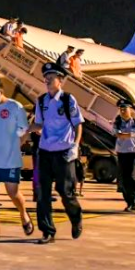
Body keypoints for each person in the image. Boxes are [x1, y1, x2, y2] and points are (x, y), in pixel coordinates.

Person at [30, 62, 84, 243]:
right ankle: (47, 231)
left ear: (60, 80)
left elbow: (78, 124)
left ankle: (76, 218)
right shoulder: (41, 101)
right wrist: (24, 129)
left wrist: (75, 145)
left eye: (51, 77)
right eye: (46, 77)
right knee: (42, 193)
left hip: (64, 152)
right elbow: (39, 124)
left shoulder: (68, 100)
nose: (47, 80)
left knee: (65, 191)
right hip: (45, 151)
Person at [0, 77, 35, 239]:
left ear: (0, 92)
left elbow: (24, 131)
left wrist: (16, 146)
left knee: (12, 192)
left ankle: (23, 214)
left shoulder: (15, 107)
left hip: (10, 159)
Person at [113, 99, 135, 212]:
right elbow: (116, 134)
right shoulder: (117, 122)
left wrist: (126, 135)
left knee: (132, 177)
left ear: (130, 109)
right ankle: (129, 202)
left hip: (134, 153)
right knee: (124, 179)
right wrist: (130, 134)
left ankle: (134, 201)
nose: (123, 111)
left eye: (125, 108)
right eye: (121, 109)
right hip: (122, 153)